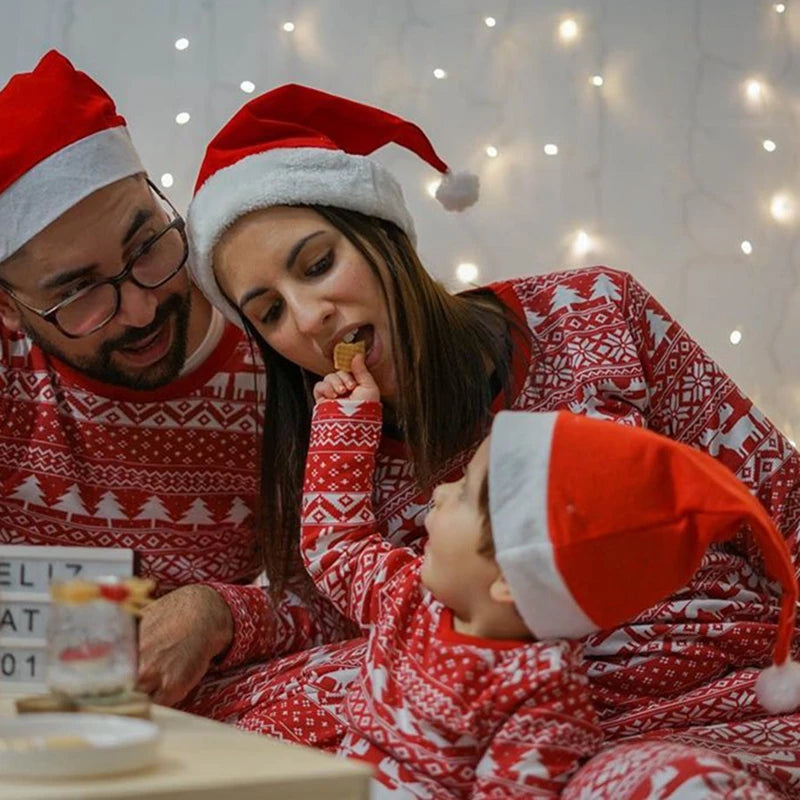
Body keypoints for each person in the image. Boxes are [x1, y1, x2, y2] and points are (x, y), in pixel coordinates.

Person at [183, 83, 800, 797]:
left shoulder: (593, 314)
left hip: (714, 681)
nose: (309, 316)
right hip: (516, 737)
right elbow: (334, 583)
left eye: (318, 264)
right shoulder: (327, 437)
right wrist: (215, 613)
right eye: (269, 312)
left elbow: (777, 496)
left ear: (382, 235)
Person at [0, 52, 345, 709]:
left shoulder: (280, 339)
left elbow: (361, 599)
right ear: (8, 308)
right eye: (78, 294)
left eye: (145, 247)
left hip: (215, 720)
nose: (142, 308)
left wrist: (219, 614)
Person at [302, 353, 799, 797]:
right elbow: (335, 546)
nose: (440, 491)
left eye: (464, 493)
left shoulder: (544, 695)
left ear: (510, 579)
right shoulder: (406, 594)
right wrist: (347, 417)